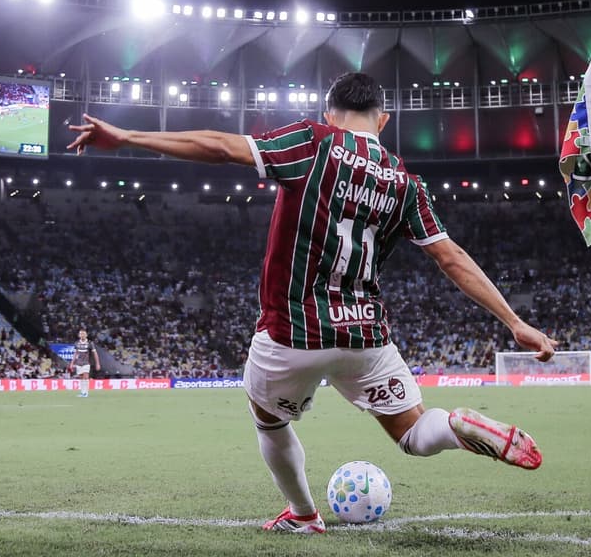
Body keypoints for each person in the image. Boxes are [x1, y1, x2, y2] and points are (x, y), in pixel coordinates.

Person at [67, 71, 557, 534]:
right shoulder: (405, 181)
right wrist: (515, 322)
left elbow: (221, 146)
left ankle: (303, 514)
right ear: (382, 120)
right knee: (413, 432)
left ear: (331, 112)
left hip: (293, 333)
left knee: (269, 419)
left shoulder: (315, 142)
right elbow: (451, 258)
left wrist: (129, 136)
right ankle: (455, 426)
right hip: (366, 336)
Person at [69, 328, 100, 397]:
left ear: (86, 335)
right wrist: (72, 363)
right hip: (78, 363)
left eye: (83, 334)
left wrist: (97, 363)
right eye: (80, 334)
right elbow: (75, 354)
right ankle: (82, 392)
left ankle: (86, 393)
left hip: (86, 363)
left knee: (86, 376)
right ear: (79, 335)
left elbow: (95, 354)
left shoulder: (90, 343)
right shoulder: (77, 343)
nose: (82, 335)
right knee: (81, 377)